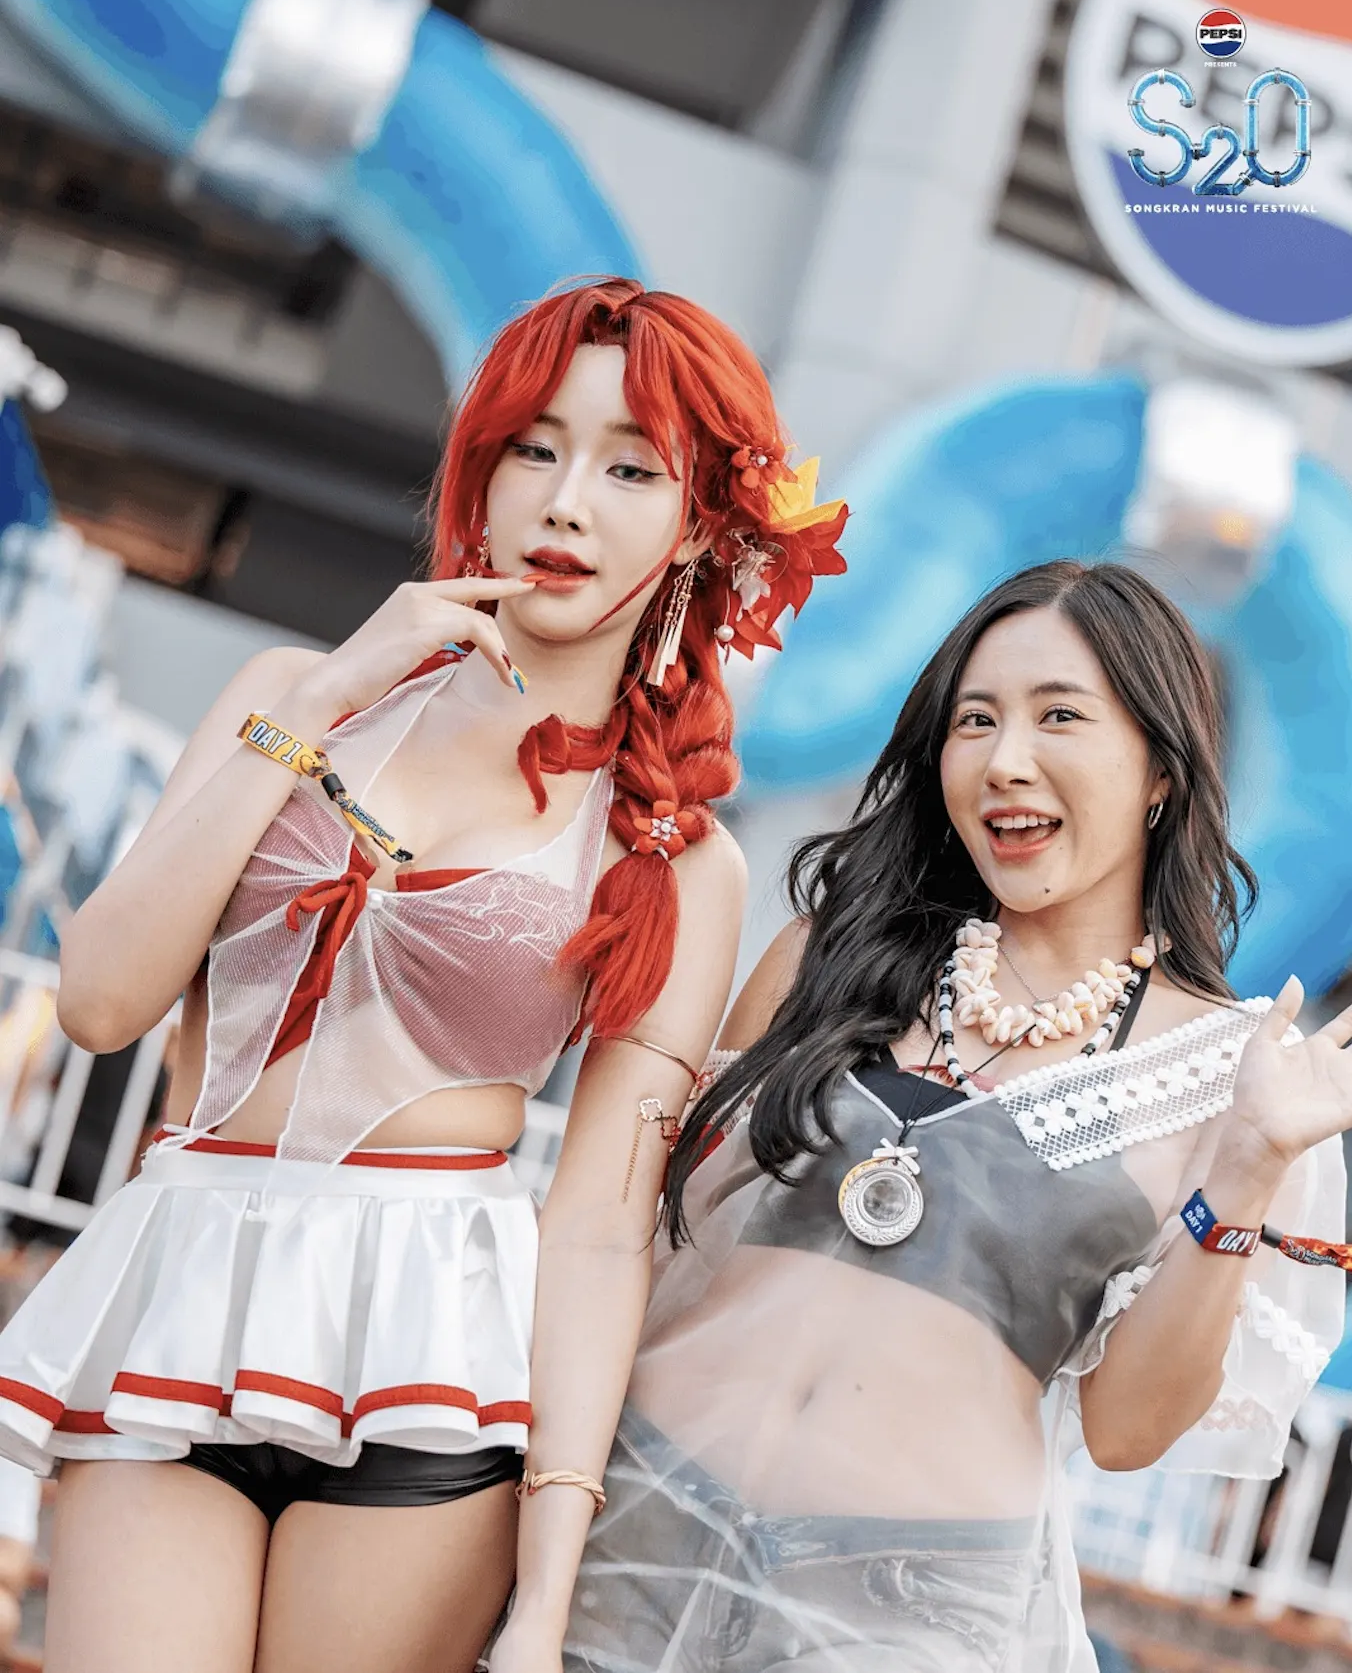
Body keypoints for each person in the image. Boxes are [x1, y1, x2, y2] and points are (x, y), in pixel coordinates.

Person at [0, 278, 848, 1673]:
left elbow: (598, 1230)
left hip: (435, 1367)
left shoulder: (677, 856)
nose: (565, 502)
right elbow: (100, 998)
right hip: (181, 1300)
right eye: (535, 447)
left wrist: (546, 1592)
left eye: (630, 467)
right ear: (484, 471)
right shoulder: (290, 693)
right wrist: (315, 709)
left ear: (702, 523)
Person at [540, 559, 1349, 1673]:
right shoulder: (827, 961)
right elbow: (647, 1246)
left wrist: (1249, 1168)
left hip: (904, 1615)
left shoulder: (1230, 1074)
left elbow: (1127, 1431)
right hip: (629, 1533)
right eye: (975, 720)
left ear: (1161, 767)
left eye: (1058, 716)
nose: (1004, 760)